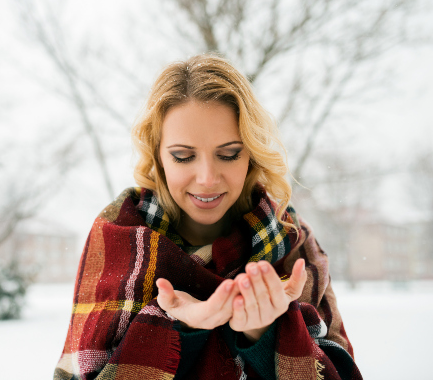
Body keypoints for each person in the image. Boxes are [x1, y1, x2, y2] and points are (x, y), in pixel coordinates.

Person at [54, 54, 362, 380]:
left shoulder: (291, 239)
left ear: (251, 153)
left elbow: (340, 373)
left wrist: (266, 333)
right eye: (183, 156)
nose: (207, 178)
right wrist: (175, 327)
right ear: (158, 156)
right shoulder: (118, 236)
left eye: (228, 154)